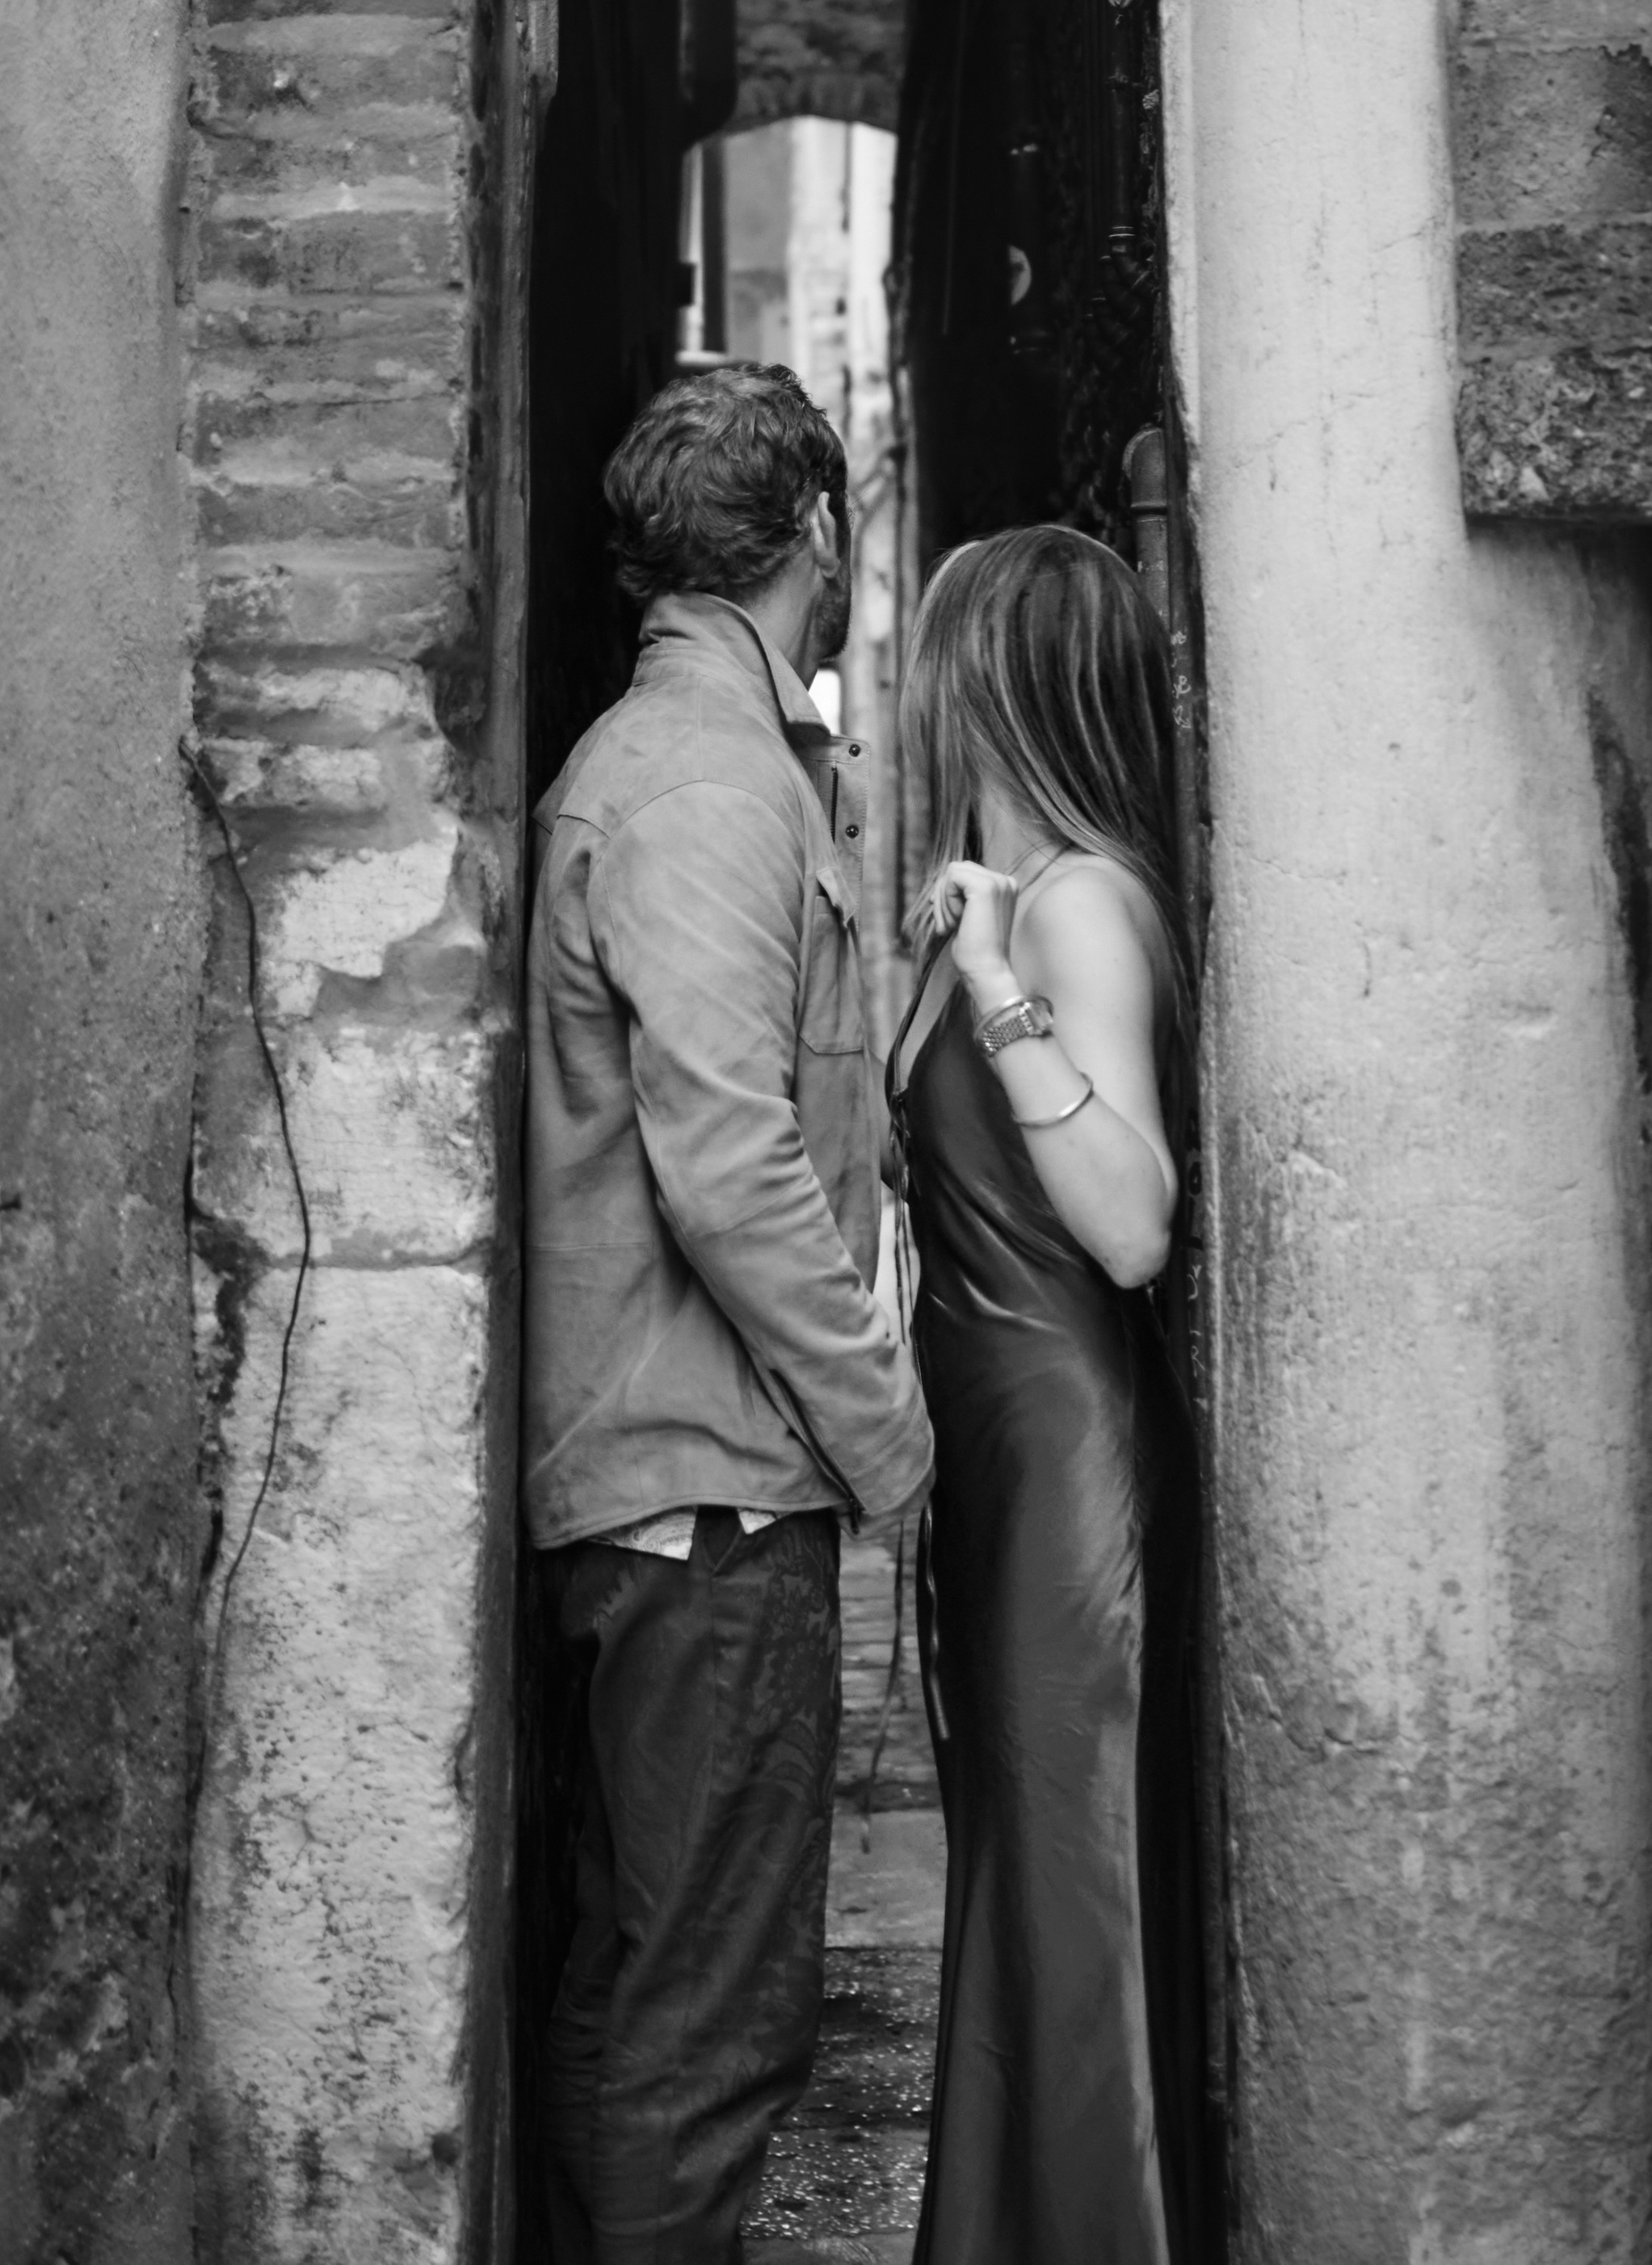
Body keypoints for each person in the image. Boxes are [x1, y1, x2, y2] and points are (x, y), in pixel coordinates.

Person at [523, 362, 934, 2263]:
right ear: (821, 533)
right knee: (704, 2027)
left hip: (685, 1485)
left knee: (653, 1992)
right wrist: (889, 1432)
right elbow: (730, 1169)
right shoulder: (701, 782)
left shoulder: (724, 760)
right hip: (701, 1500)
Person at [887, 523, 1209, 2265]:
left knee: (1073, 1901)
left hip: (1072, 1465)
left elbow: (1133, 1221)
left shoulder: (1077, 902)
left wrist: (999, 991)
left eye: (938, 661)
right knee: (1023, 1887)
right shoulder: (1001, 893)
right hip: (999, 1465)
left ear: (991, 682)